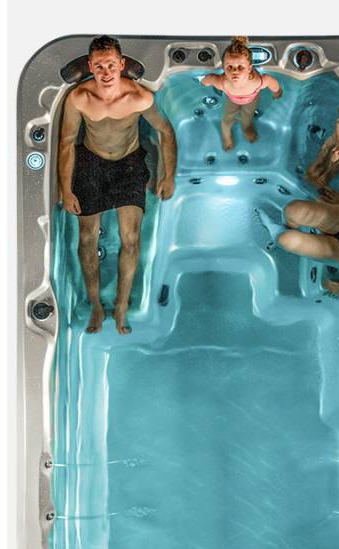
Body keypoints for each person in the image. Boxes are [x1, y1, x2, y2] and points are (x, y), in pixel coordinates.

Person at [58, 35, 177, 334]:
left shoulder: (138, 97)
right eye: (99, 66)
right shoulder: (79, 98)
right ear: (90, 66)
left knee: (131, 238)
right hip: (91, 162)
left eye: (111, 64)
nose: (106, 72)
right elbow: (67, 143)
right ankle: (96, 304)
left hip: (128, 164)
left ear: (122, 64)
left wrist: (169, 175)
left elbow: (165, 131)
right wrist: (66, 189)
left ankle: (122, 304)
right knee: (87, 239)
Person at [201, 36, 282, 151]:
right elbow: (211, 79)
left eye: (240, 67)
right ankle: (226, 135)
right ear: (223, 67)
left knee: (247, 116)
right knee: (227, 119)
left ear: (249, 68)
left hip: (251, 99)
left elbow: (270, 81)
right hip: (232, 100)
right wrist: (203, 82)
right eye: (229, 67)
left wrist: (277, 91)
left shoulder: (256, 81)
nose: (235, 71)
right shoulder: (223, 82)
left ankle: (246, 128)